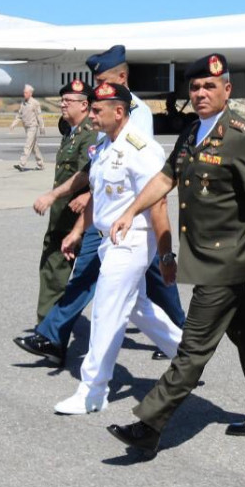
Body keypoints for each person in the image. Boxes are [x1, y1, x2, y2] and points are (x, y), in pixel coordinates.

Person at [106, 53, 245, 457]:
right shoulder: (192, 133)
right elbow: (165, 178)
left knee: (193, 348)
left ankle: (149, 424)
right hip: (203, 255)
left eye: (209, 87)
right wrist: (131, 210)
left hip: (228, 260)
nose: (201, 93)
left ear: (227, 90)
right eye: (195, 87)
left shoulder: (244, 136)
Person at [12, 45, 185, 364]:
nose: (96, 87)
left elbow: (134, 173)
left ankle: (182, 336)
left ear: (122, 77)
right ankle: (53, 336)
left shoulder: (136, 113)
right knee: (108, 277)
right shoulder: (103, 109)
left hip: (131, 217)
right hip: (107, 214)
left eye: (103, 79)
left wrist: (94, 203)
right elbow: (99, 164)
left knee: (147, 281)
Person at [52, 82, 183, 414]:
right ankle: (188, 358)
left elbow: (158, 202)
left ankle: (92, 390)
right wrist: (79, 232)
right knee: (139, 307)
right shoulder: (104, 146)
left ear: (120, 112)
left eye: (97, 110)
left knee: (106, 310)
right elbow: (100, 195)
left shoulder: (141, 149)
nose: (92, 115)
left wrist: (166, 253)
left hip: (134, 239)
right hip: (109, 240)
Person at [29, 80, 99, 324]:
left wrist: (88, 194)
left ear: (84, 105)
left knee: (98, 279)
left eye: (68, 101)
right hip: (62, 215)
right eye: (62, 100)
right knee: (53, 268)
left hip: (81, 217)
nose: (62, 104)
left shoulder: (89, 134)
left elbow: (90, 173)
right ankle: (47, 327)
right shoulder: (71, 133)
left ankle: (50, 328)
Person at [11, 84, 45, 171]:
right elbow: (19, 115)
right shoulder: (23, 103)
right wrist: (14, 124)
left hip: (33, 127)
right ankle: (40, 164)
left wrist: (42, 127)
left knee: (27, 145)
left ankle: (21, 164)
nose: (24, 94)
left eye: (26, 93)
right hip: (26, 127)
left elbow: (39, 116)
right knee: (34, 147)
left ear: (30, 93)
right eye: (24, 93)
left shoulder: (35, 103)